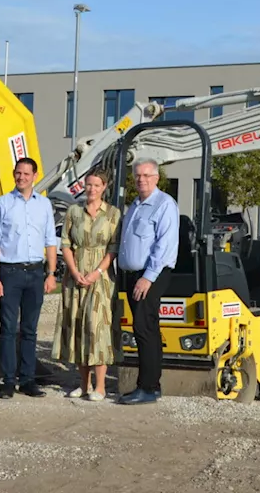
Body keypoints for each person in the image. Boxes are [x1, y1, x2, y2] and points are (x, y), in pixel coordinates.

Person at [0, 156, 58, 399]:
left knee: (30, 329)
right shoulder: (2, 204)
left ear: (35, 176)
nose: (21, 177)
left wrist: (51, 273)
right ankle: (8, 380)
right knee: (7, 329)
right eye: (18, 173)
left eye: (26, 174)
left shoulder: (44, 205)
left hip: (36, 272)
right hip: (10, 273)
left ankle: (27, 380)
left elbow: (50, 240)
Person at [52, 168, 121, 401]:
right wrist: (73, 271)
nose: (92, 189)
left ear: (104, 187)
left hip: (100, 277)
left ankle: (100, 386)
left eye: (96, 185)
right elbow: (66, 243)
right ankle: (84, 384)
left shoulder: (113, 213)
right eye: (88, 185)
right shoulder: (74, 211)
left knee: (96, 328)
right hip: (75, 274)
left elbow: (113, 248)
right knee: (79, 327)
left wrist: (96, 272)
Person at [115, 158, 179, 405]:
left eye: (146, 175)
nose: (141, 179)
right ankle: (152, 384)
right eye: (137, 176)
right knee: (143, 329)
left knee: (145, 329)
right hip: (134, 275)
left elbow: (164, 245)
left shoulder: (164, 205)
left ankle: (148, 387)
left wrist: (147, 278)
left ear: (156, 178)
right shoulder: (135, 205)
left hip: (150, 275)